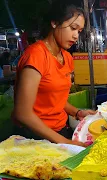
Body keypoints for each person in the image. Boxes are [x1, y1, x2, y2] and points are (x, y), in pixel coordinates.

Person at [12, 0, 95, 147]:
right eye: (73, 28)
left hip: (61, 131)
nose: (76, 36)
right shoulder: (36, 56)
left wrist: (77, 113)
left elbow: (57, 99)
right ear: (55, 23)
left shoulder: (67, 58)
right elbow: (22, 113)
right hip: (35, 138)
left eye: (79, 31)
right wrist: (66, 143)